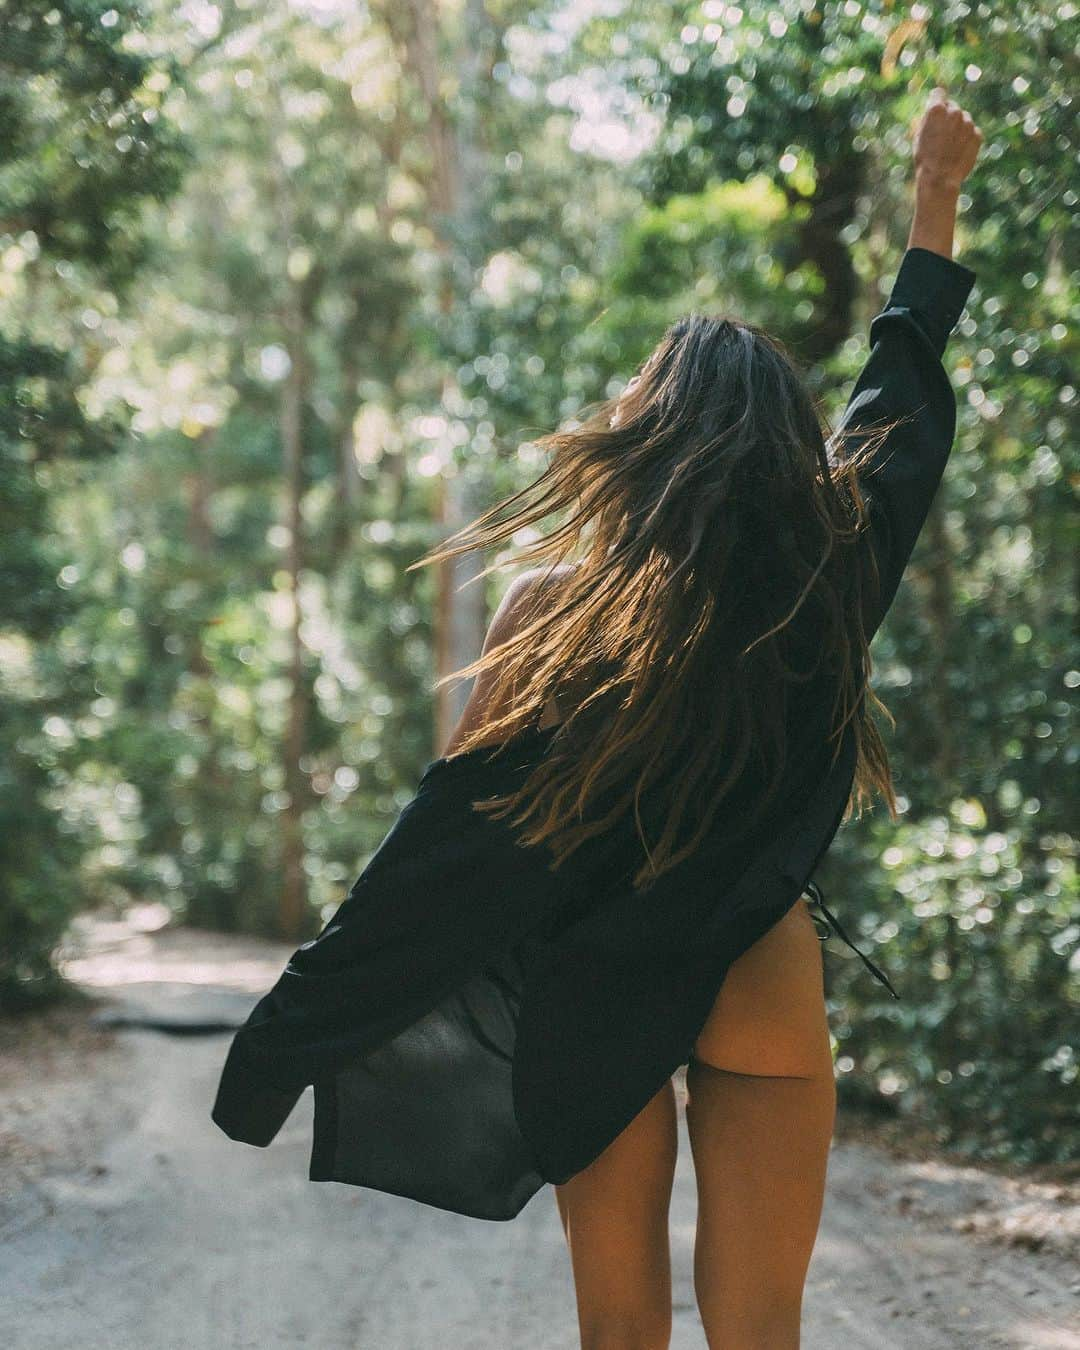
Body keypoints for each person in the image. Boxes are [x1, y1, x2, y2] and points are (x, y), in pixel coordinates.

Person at [211, 87, 981, 1350]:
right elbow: (897, 406)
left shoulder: (556, 610)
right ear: (781, 457)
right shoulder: (824, 582)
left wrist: (291, 1032)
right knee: (761, 1334)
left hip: (592, 987)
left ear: (642, 447)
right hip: (756, 975)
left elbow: (453, 841)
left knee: (621, 1331)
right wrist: (934, 196)